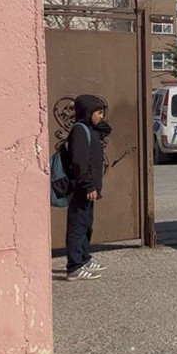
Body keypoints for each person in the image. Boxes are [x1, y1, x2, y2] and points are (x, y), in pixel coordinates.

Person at [65, 95, 112, 281]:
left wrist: (95, 119)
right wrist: (88, 185)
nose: (101, 117)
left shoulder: (89, 129)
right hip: (82, 188)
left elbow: (107, 129)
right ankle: (74, 266)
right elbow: (79, 163)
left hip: (88, 188)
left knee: (86, 225)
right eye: (98, 113)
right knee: (77, 226)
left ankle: (84, 259)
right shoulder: (79, 131)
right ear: (87, 112)